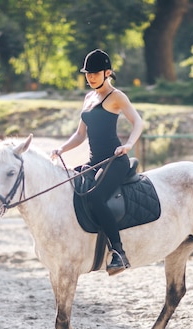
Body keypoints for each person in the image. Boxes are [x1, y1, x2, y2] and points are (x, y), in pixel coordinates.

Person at [51, 49, 144, 276]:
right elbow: (80, 135)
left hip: (115, 161)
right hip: (94, 162)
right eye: (87, 73)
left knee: (95, 197)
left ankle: (119, 252)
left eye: (95, 73)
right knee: (73, 186)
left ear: (108, 72)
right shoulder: (89, 98)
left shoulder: (116, 97)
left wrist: (129, 144)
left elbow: (138, 122)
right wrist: (61, 148)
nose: (90, 77)